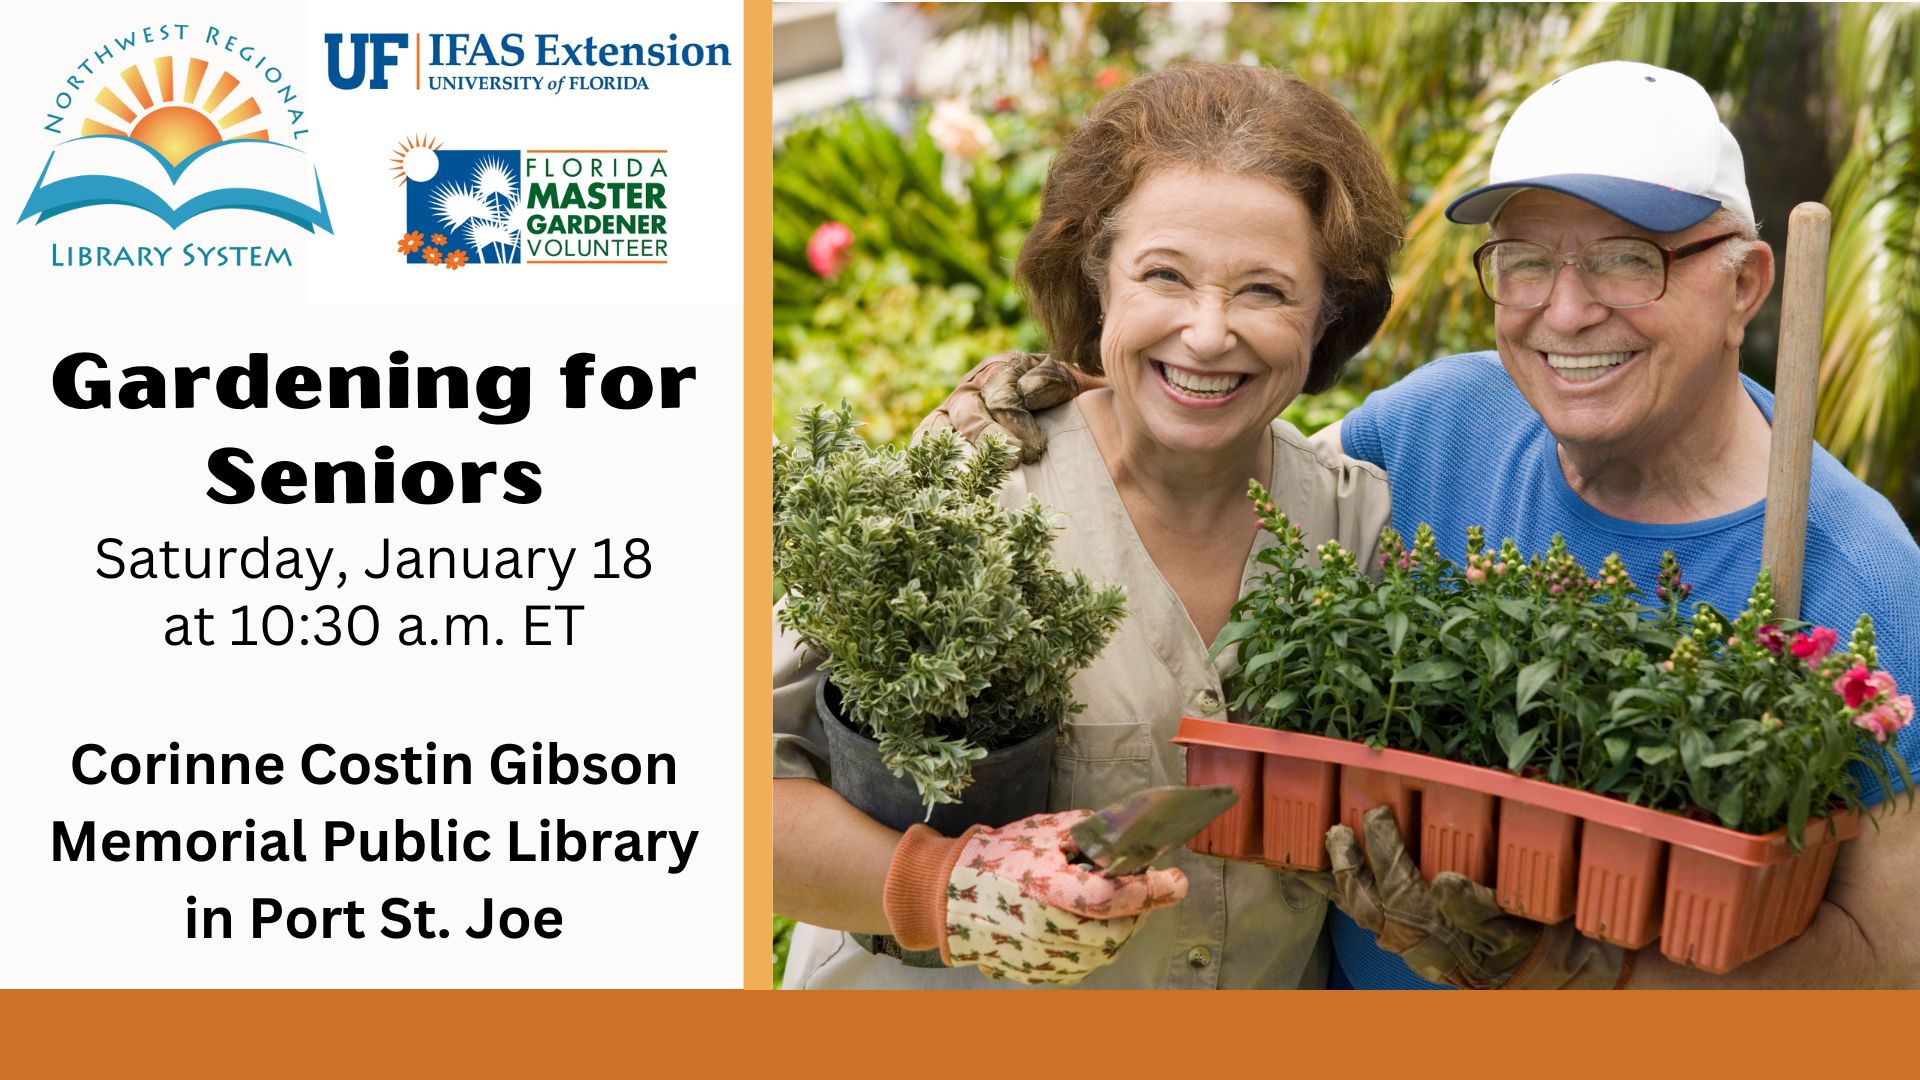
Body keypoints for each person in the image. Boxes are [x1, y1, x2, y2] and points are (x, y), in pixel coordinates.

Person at [930, 60, 1920, 989]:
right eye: (1525, 262)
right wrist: (1068, 396)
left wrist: (1562, 981)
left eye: (1628, 261)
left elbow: (1889, 963)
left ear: (1745, 283)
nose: (1566, 311)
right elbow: (1219, 424)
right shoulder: (1440, 425)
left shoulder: (1863, 576)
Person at [773, 63, 1404, 989]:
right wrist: (948, 888)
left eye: (1266, 290)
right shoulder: (967, 492)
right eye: (1164, 275)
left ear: (1330, 312)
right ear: (1096, 277)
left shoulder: (1359, 532)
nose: (1206, 331)